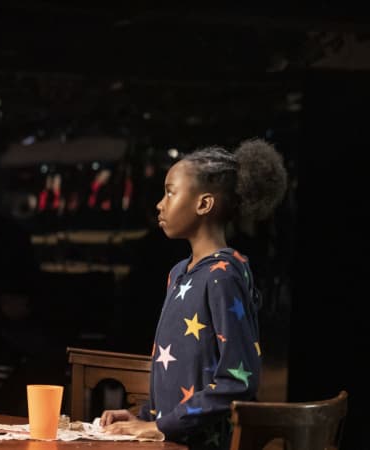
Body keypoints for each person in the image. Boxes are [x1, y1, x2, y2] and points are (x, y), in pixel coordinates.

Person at [100, 138, 287, 449]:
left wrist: (159, 426)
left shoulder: (223, 276)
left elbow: (238, 380)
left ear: (204, 204)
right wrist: (144, 416)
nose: (160, 203)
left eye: (170, 192)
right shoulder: (179, 272)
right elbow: (179, 370)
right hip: (174, 439)